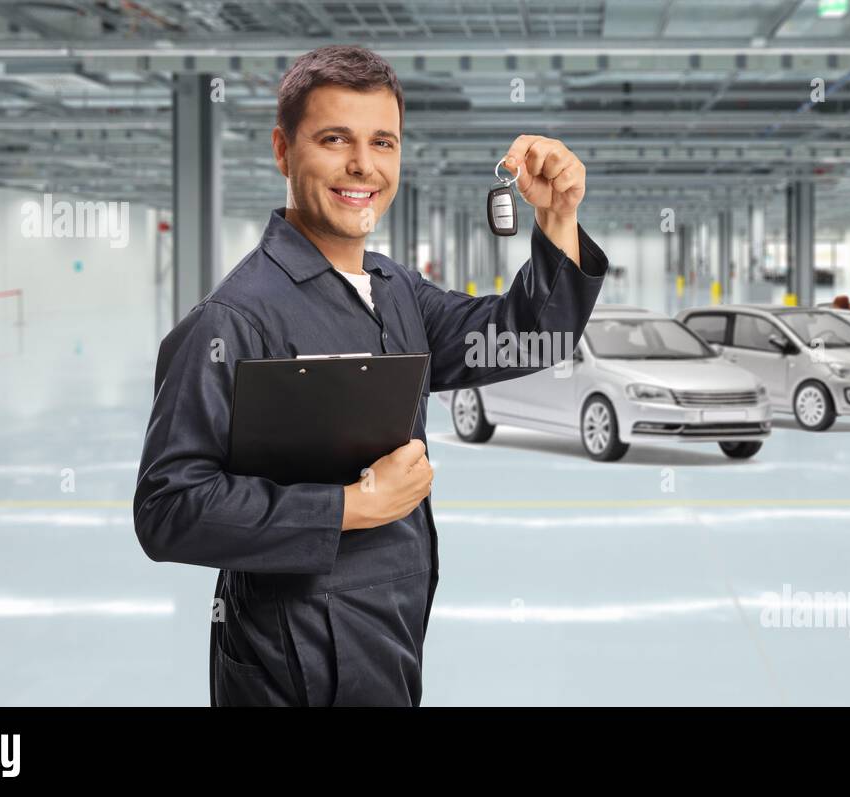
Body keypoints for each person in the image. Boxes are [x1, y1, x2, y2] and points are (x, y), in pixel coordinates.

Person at [132, 45, 608, 706]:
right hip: (292, 661)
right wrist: (348, 505)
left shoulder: (395, 289)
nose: (363, 165)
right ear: (282, 149)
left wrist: (558, 218)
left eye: (383, 141)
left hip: (388, 633)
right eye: (335, 138)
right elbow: (168, 508)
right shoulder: (232, 320)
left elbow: (526, 338)